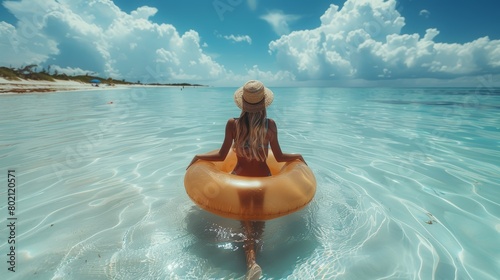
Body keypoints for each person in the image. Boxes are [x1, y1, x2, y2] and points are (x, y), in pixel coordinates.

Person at [187, 80, 306, 280]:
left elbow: (222, 155)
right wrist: (298, 156)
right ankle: (255, 260)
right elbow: (278, 157)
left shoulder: (233, 124)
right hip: (263, 179)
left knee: (245, 223)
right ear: (263, 103)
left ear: (242, 103)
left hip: (239, 178)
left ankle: (250, 262)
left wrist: (199, 156)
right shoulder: (271, 125)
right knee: (258, 222)